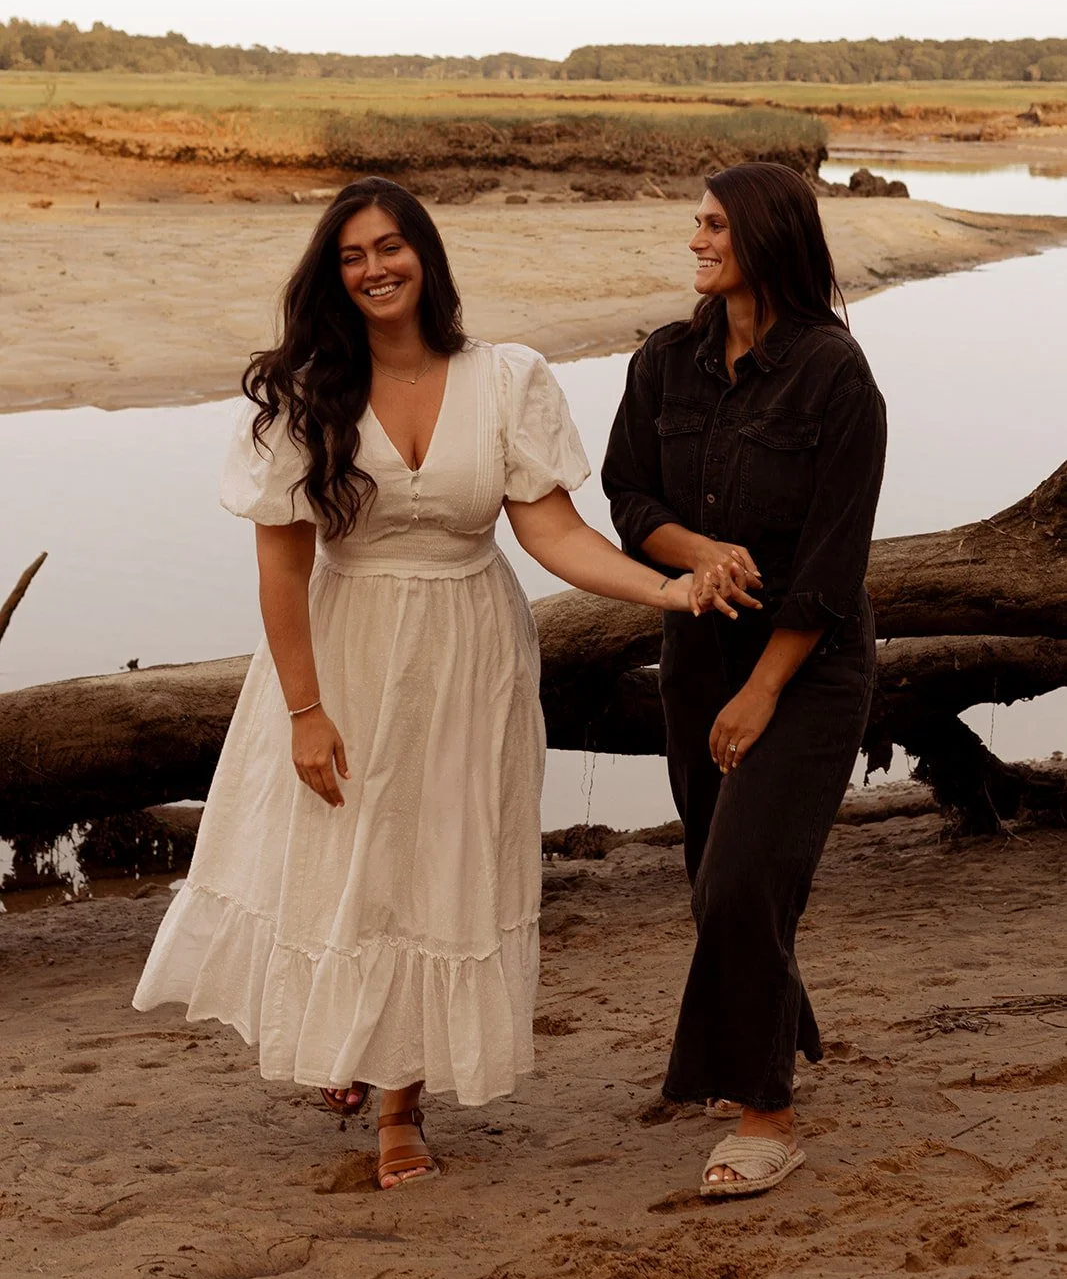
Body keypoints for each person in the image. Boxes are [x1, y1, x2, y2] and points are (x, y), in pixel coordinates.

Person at [134, 177, 710, 1191]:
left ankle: (401, 1107)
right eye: (352, 254)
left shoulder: (506, 378)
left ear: (426, 257)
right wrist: (305, 712)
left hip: (467, 652)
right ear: (333, 273)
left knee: (439, 863)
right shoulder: (304, 394)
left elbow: (552, 531)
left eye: (391, 247)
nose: (374, 267)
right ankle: (351, 1044)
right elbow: (281, 568)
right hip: (343, 651)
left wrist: (665, 590)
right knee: (345, 859)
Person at [602, 161, 886, 1199]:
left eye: (713, 225)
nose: (694, 240)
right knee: (714, 872)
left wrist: (762, 688)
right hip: (698, 654)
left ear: (763, 237)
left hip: (806, 667)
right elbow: (625, 488)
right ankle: (767, 1032)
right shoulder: (664, 359)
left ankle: (765, 1113)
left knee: (742, 880)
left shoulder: (833, 376)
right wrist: (698, 548)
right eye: (695, 223)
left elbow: (829, 562)